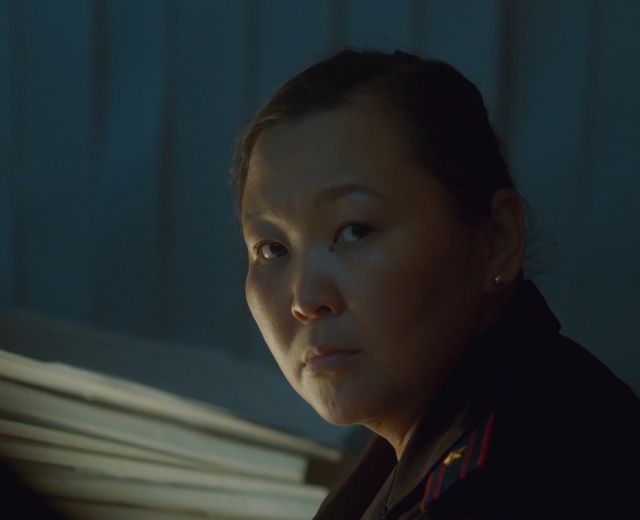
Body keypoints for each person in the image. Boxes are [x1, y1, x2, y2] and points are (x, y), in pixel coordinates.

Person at [232, 49, 639, 518]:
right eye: (272, 250)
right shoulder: (419, 446)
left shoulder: (527, 476)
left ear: (497, 241)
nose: (306, 299)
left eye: (355, 230)